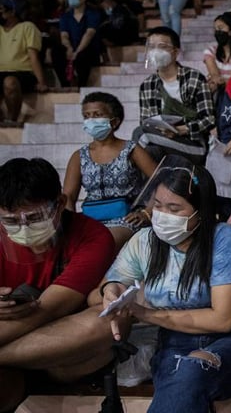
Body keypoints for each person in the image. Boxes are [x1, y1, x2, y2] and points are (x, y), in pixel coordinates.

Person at [98, 157, 231, 412]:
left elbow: (223, 320)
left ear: (201, 211)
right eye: (159, 206)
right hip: (173, 341)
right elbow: (111, 281)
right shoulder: (145, 241)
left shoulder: (222, 238)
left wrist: (145, 314)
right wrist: (112, 291)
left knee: (190, 370)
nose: (163, 216)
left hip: (230, 340)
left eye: (175, 209)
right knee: (182, 374)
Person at [0, 158, 116, 412]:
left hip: (62, 352)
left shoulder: (92, 236)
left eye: (34, 217)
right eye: (10, 221)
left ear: (60, 204)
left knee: (105, 323)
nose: (23, 228)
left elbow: (48, 309)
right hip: (13, 353)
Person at [63, 92, 157, 252]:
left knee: (102, 244)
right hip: (89, 221)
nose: (91, 120)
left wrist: (146, 213)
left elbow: (162, 179)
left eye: (97, 115)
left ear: (114, 121)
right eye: (86, 116)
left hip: (125, 220)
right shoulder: (79, 155)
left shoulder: (131, 149)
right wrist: (70, 227)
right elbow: (68, 197)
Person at [137, 26, 215, 165]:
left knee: (140, 134)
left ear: (175, 52)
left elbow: (209, 119)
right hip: (160, 142)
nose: (155, 51)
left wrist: (180, 130)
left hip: (194, 145)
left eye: (162, 46)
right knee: (149, 152)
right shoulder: (147, 85)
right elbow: (146, 122)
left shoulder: (194, 78)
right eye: (151, 46)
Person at [0, 0, 47, 124]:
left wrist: (41, 82)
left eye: (1, 10)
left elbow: (33, 56)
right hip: (1, 72)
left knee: (10, 82)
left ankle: (12, 120)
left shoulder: (27, 27)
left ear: (13, 12)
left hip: (23, 73)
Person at [203, 12, 231, 96]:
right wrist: (218, 81)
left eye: (220, 28)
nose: (217, 32)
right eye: (215, 29)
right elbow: (214, 75)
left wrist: (221, 81)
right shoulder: (210, 51)